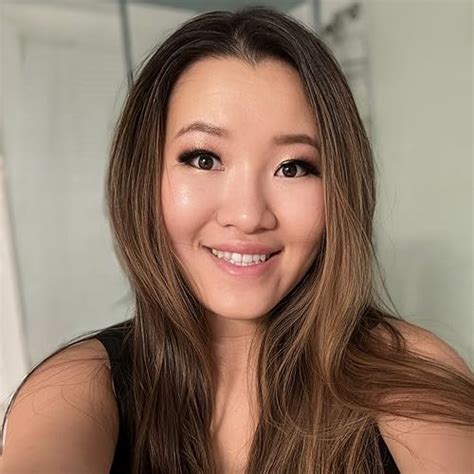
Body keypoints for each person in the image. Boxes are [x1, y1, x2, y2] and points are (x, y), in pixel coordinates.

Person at [1, 6, 472, 474]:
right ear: (143, 177)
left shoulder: (408, 371)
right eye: (204, 159)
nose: (248, 216)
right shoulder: (76, 387)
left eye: (293, 167)